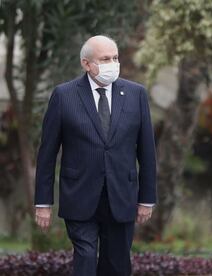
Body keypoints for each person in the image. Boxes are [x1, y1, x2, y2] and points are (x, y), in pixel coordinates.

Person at [34, 35, 157, 276]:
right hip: (79, 195)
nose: (112, 63)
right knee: (86, 258)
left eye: (115, 58)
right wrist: (43, 203)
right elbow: (47, 153)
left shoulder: (136, 94)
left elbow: (147, 151)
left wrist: (147, 198)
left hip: (121, 196)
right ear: (86, 64)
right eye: (105, 59)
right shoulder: (64, 95)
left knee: (117, 264)